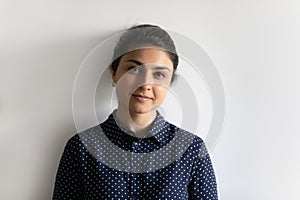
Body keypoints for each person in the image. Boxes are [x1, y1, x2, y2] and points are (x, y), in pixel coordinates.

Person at [53, 24, 218, 199]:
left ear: (169, 82)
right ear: (114, 72)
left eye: (159, 74)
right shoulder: (81, 148)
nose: (145, 84)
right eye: (134, 69)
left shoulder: (192, 150)